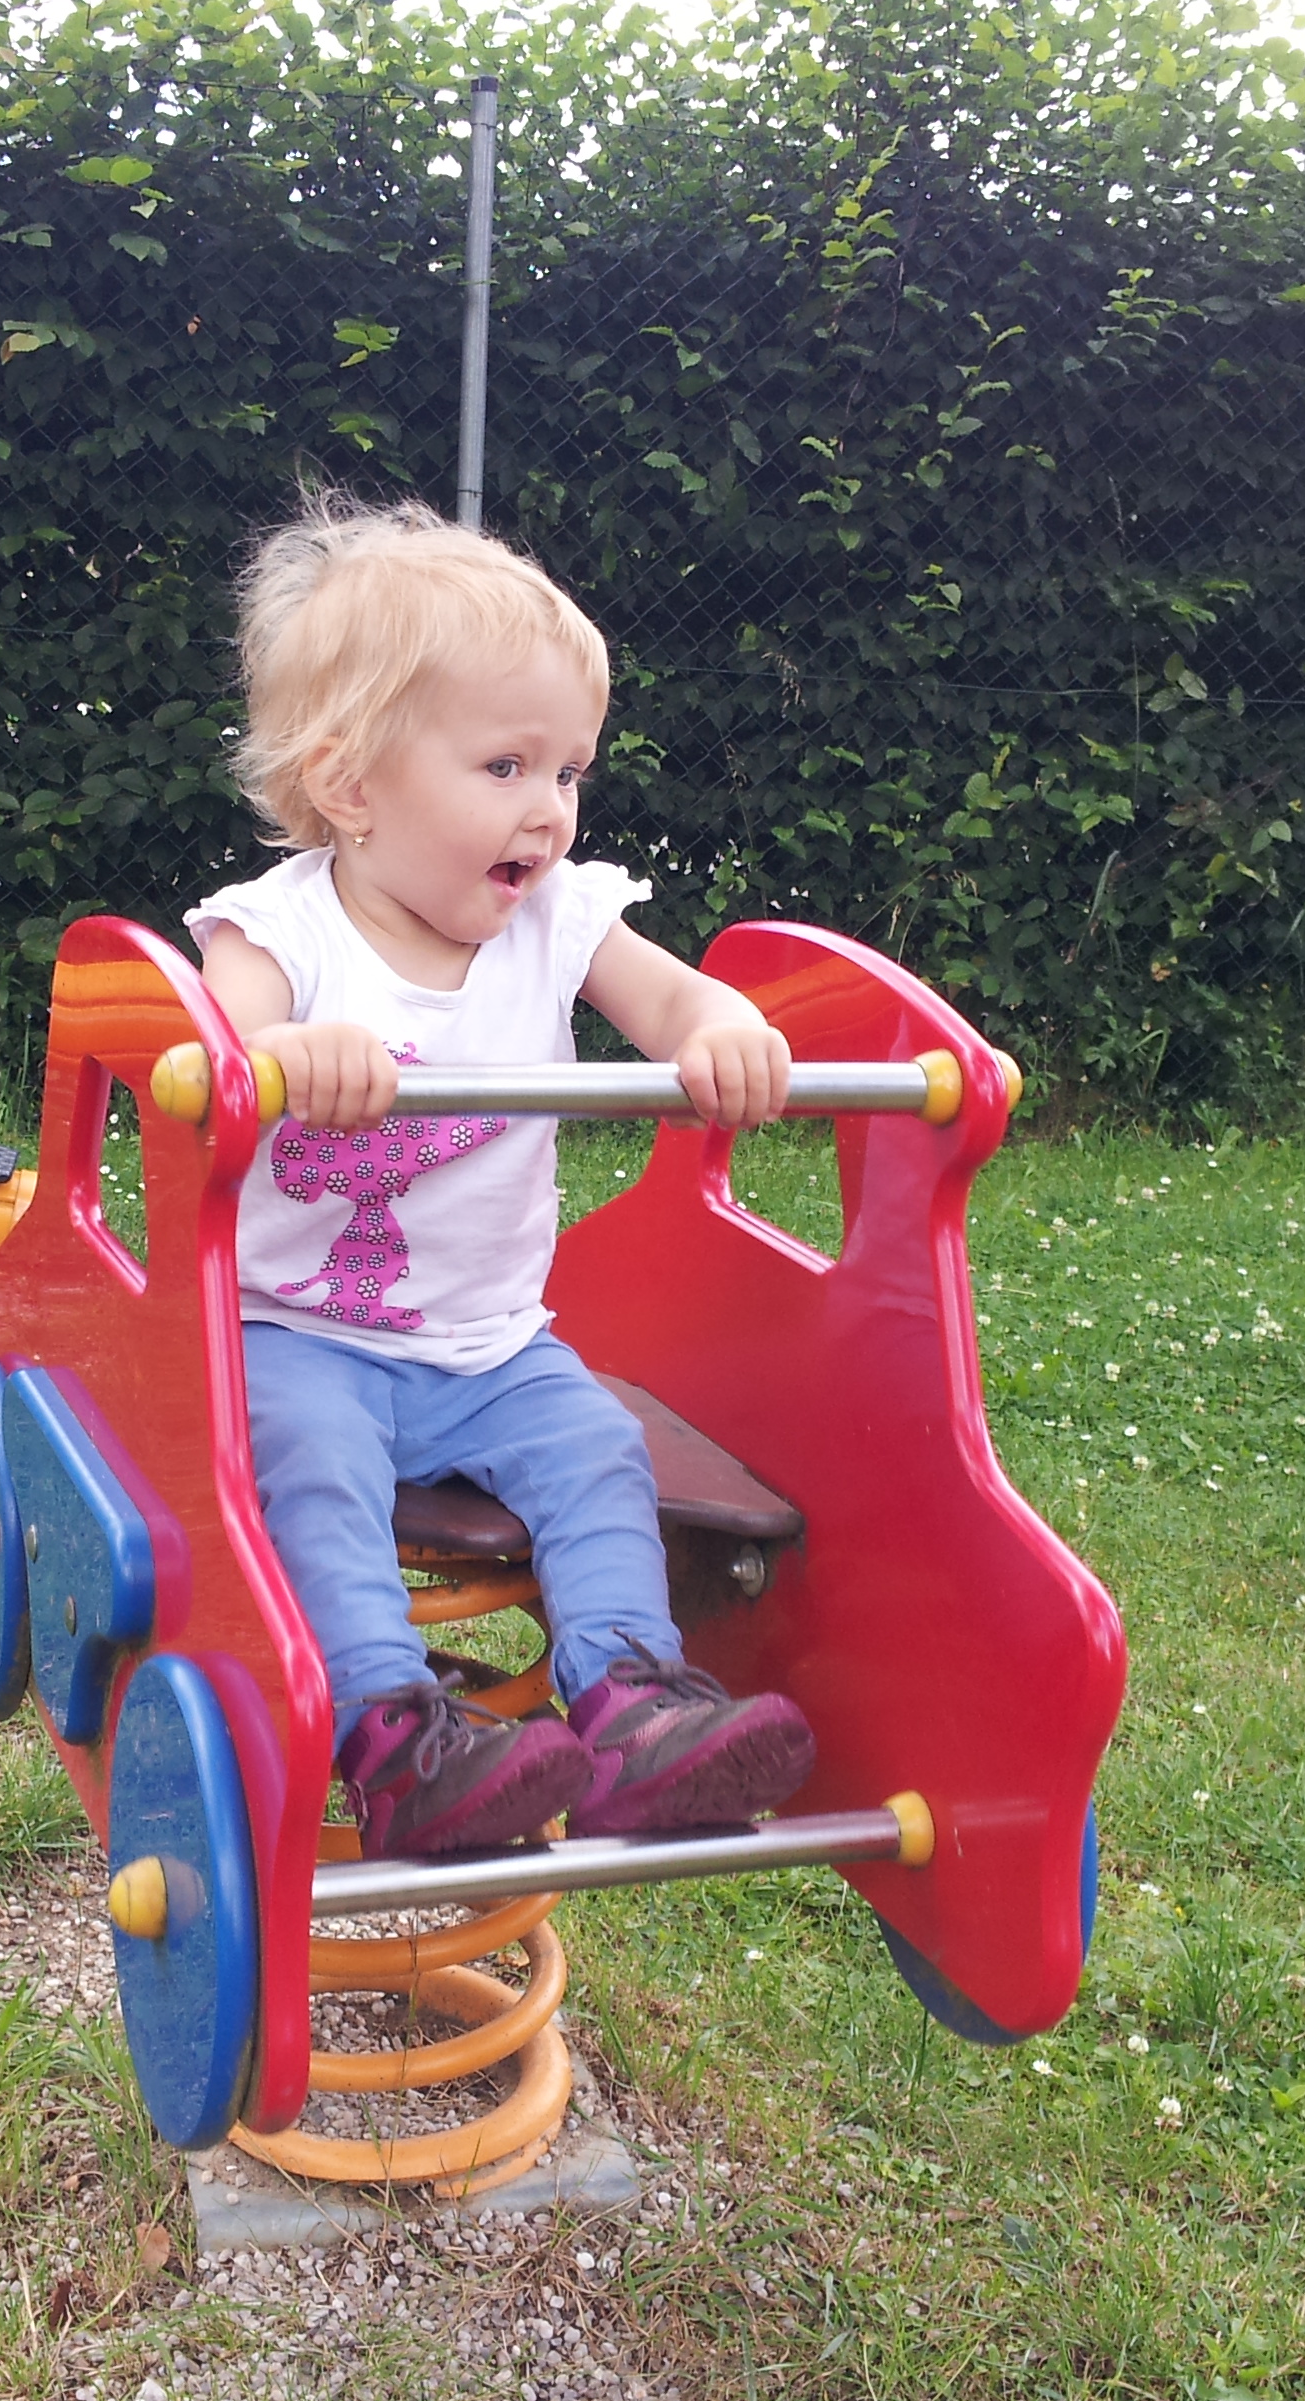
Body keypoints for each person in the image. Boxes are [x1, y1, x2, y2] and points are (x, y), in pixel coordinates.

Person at [186, 495, 817, 1858]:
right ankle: (392, 1736)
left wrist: (722, 1031)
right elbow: (217, 1054)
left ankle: (636, 1711)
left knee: (595, 1449)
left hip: (491, 1346)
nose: (549, 810)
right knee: (310, 1466)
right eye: (506, 766)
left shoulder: (561, 918)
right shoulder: (278, 933)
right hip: (293, 1332)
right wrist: (286, 1054)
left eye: (569, 771)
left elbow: (678, 1002)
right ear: (352, 787)